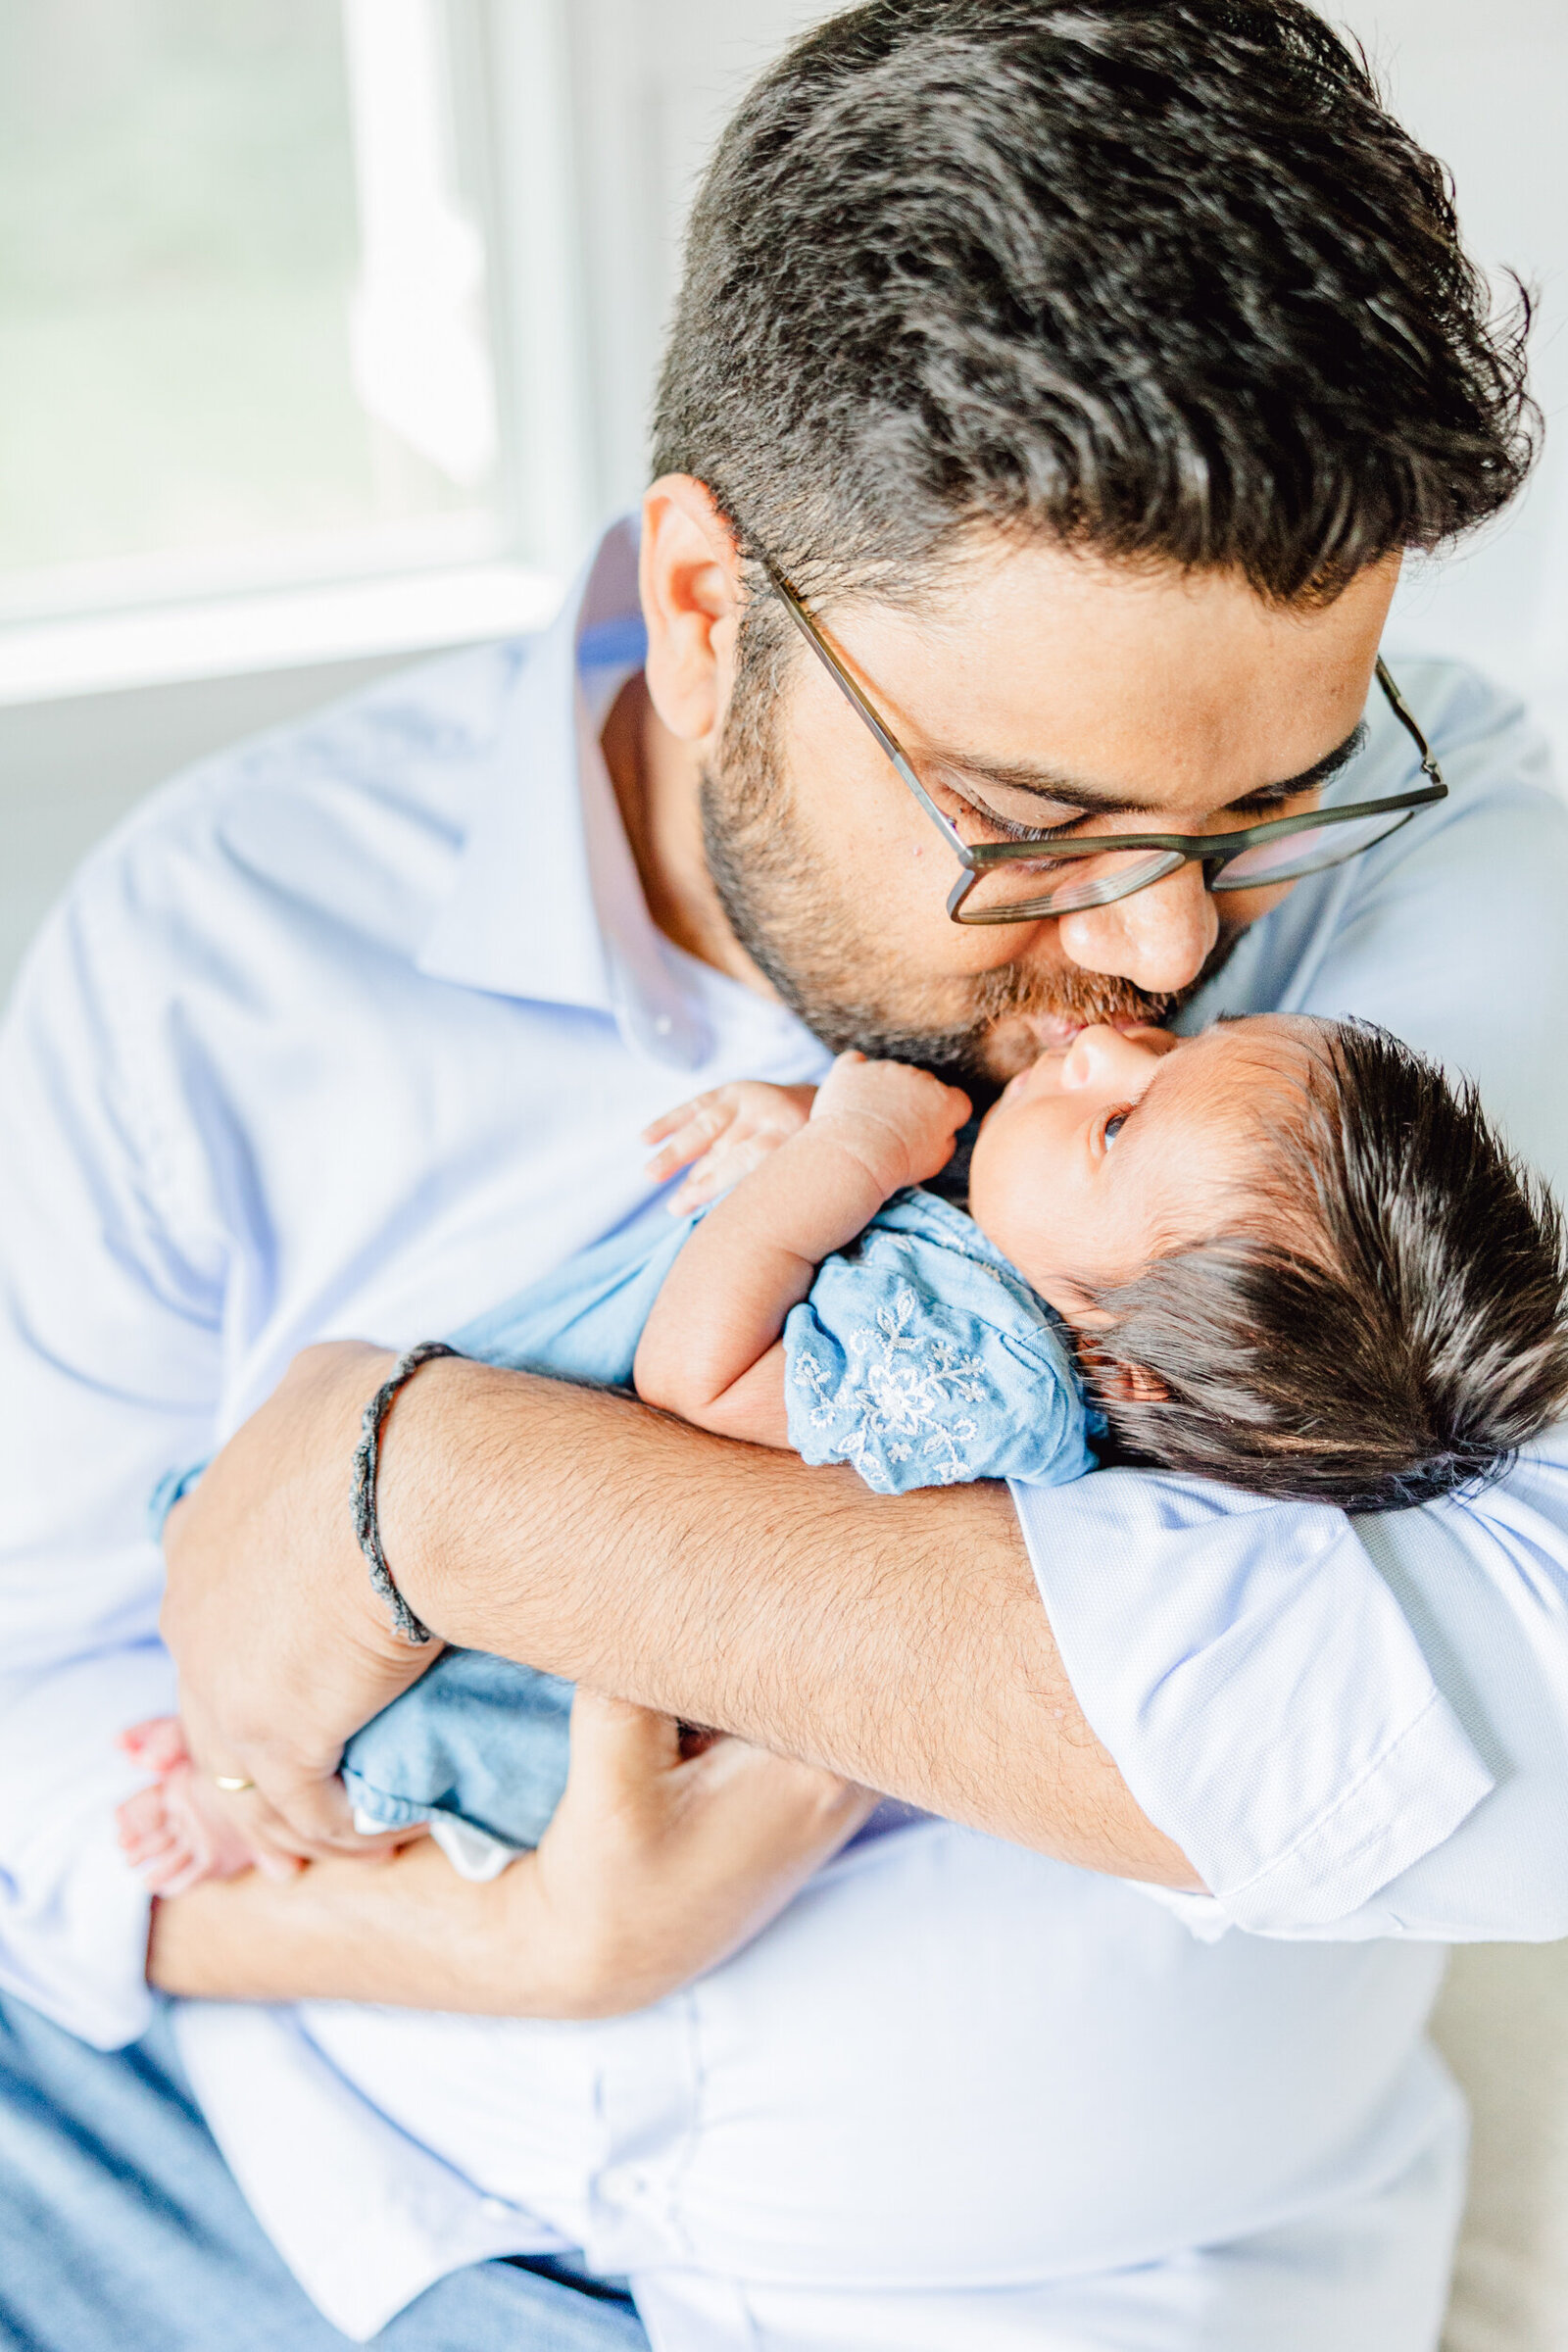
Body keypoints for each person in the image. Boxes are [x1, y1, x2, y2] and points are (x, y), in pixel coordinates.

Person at [4, 4, 1568, 2347]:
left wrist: (443, 1488)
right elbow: (37, 1701)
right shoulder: (220, 944)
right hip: (298, 2192)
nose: (1165, 954)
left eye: (1268, 802)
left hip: (1067, 2296)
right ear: (705, 605)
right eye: (1034, 828)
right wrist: (500, 1949)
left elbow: (1521, 1714)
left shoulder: (1461, 907)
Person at [116, 1017, 1568, 1890]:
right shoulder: (1014, 1258)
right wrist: (802, 1134)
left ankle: (238, 1812)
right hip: (449, 1447)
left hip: (489, 1650)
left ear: (1122, 1359)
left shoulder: (987, 1387)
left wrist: (840, 1155)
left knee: (381, 1726)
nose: (1105, 1041)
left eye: (1116, 1124)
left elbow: (705, 1376)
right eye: (1175, 1049)